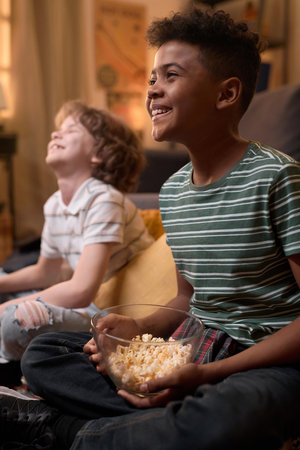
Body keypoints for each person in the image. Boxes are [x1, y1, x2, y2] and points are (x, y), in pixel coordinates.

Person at [1, 7, 300, 450]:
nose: (153, 89)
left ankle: (65, 431)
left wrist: (207, 375)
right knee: (47, 354)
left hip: (266, 362)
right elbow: (186, 298)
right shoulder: (174, 192)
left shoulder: (279, 178)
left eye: (171, 75)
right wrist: (139, 327)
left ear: (226, 93)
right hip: (194, 348)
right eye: (151, 78)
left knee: (227, 417)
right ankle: (160, 421)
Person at [0, 100, 154, 365]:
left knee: (17, 319)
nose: (55, 134)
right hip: (82, 304)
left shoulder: (105, 199)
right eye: (58, 129)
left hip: (104, 312)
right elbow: (44, 272)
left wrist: (3, 308)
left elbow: (82, 290)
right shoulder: (55, 204)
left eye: (71, 130)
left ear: (99, 154)